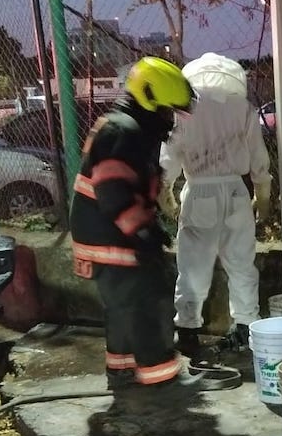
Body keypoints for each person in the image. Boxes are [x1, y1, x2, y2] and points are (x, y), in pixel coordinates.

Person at [69, 56, 240, 391]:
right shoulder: (124, 131)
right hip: (112, 239)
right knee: (152, 299)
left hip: (103, 236)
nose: (170, 119)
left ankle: (121, 371)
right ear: (150, 102)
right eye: (168, 110)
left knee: (122, 306)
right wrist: (142, 232)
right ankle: (162, 376)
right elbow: (114, 189)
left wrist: (147, 225)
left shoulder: (123, 126)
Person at [158, 53, 272, 365]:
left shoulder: (184, 111)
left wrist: (165, 192)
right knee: (241, 263)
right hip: (237, 191)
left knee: (194, 264)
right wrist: (263, 197)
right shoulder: (243, 108)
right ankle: (248, 326)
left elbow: (167, 161)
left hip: (199, 192)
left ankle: (188, 330)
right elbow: (260, 161)